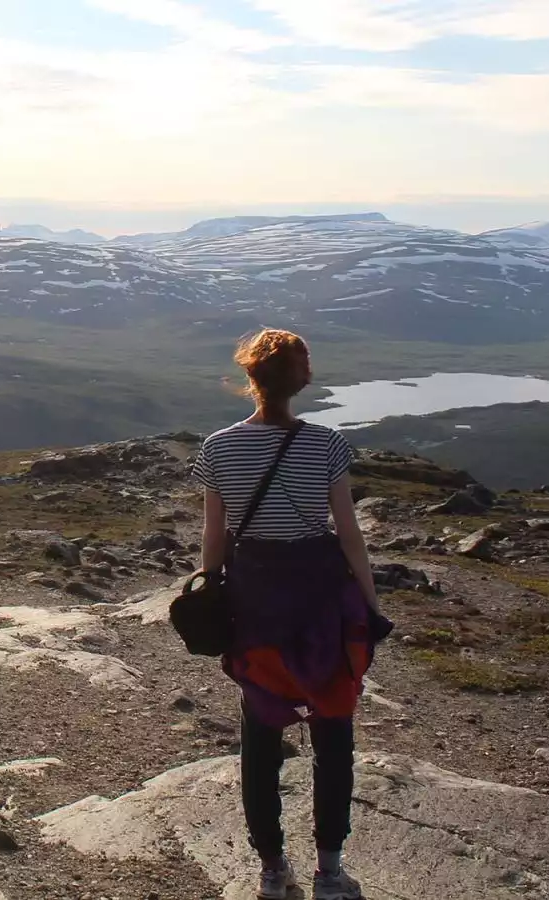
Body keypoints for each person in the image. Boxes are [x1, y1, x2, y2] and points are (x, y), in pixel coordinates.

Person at [189, 329, 386, 900]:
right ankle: (329, 870)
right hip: (321, 600)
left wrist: (214, 592)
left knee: (260, 728)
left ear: (252, 379)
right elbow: (348, 534)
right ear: (298, 379)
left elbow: (214, 536)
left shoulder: (218, 447)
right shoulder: (326, 444)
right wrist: (371, 606)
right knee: (334, 730)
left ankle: (273, 871)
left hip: (254, 599)